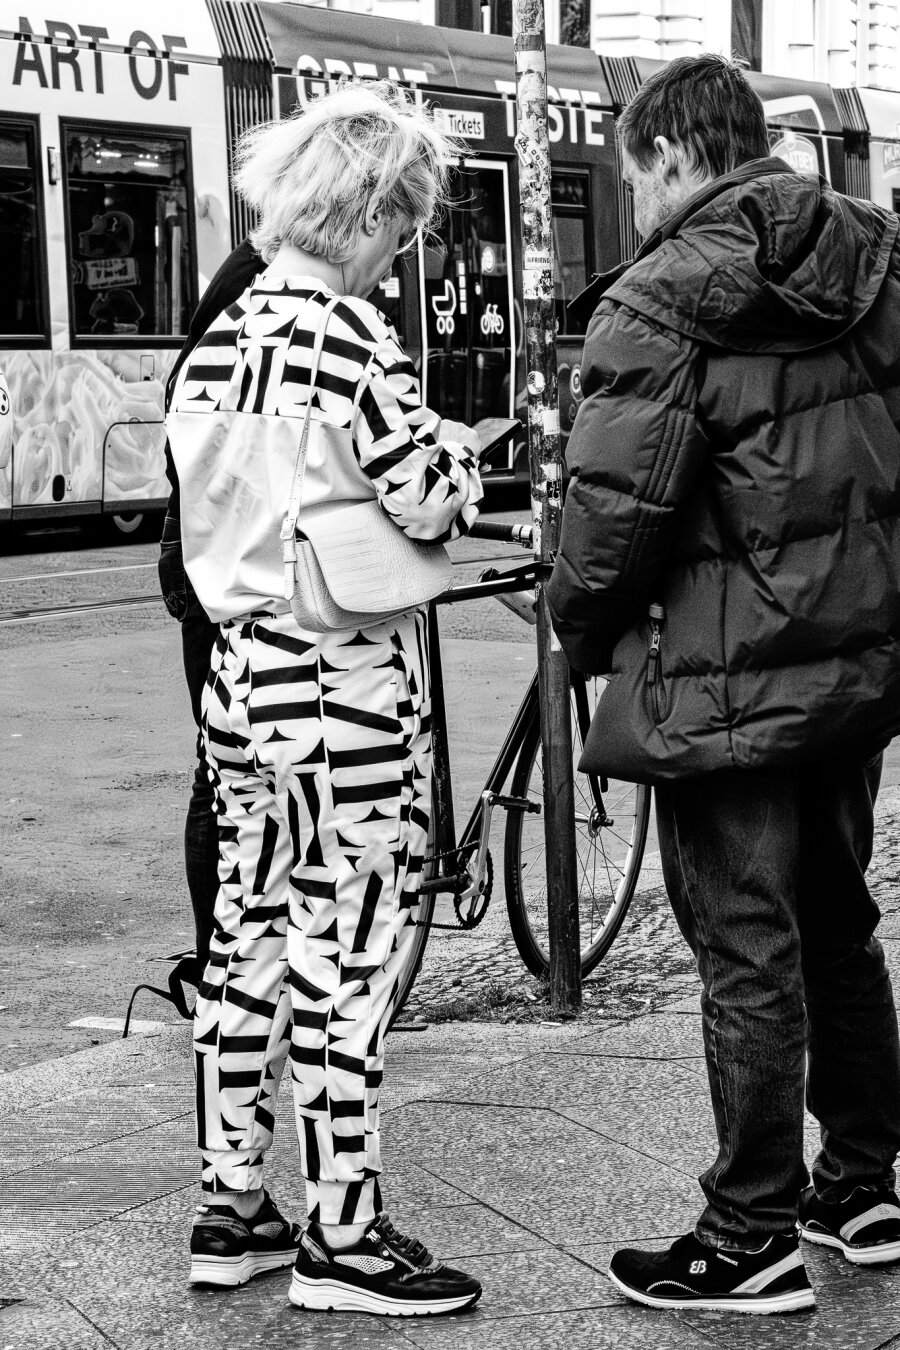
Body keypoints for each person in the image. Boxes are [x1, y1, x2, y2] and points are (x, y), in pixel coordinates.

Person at [547, 54, 900, 1316]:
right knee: (837, 918)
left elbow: (611, 518)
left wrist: (575, 633)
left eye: (636, 171)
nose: (634, 196)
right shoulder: (872, 259)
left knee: (746, 944)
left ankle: (747, 1233)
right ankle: (863, 1184)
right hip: (853, 666)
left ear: (675, 158)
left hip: (721, 675)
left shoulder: (658, 297)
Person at [168, 83, 484, 1316]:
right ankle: (345, 1236)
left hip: (239, 683)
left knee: (245, 936)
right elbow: (417, 494)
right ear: (366, 215)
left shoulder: (220, 346)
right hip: (339, 689)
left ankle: (231, 1202)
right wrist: (459, 453)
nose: (399, 251)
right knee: (346, 950)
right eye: (401, 227)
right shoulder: (347, 340)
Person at [158, 239, 265, 978]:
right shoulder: (261, 285)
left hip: (209, 554)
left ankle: (223, 970)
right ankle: (222, 969)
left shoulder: (254, 271)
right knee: (223, 770)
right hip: (221, 560)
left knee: (221, 766)